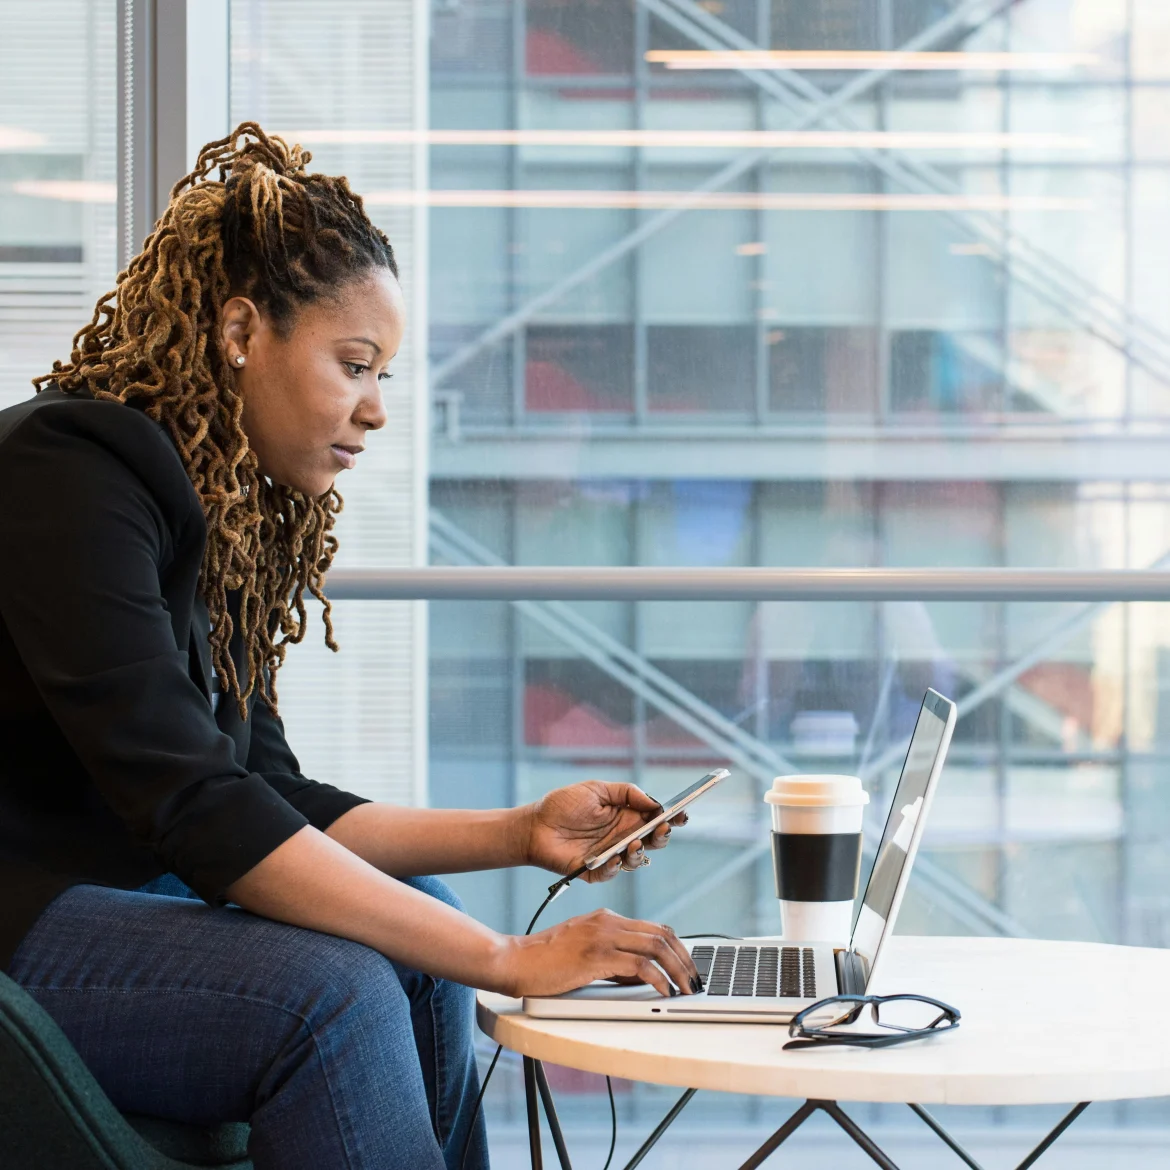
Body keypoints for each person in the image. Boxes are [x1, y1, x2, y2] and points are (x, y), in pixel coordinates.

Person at [0, 123, 699, 1170]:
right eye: (355, 364)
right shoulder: (70, 472)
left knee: (421, 932)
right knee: (335, 994)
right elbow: (195, 807)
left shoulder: (221, 514)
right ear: (243, 332)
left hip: (114, 900)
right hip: (22, 920)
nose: (376, 410)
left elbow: (267, 796)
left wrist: (518, 831)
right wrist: (509, 956)